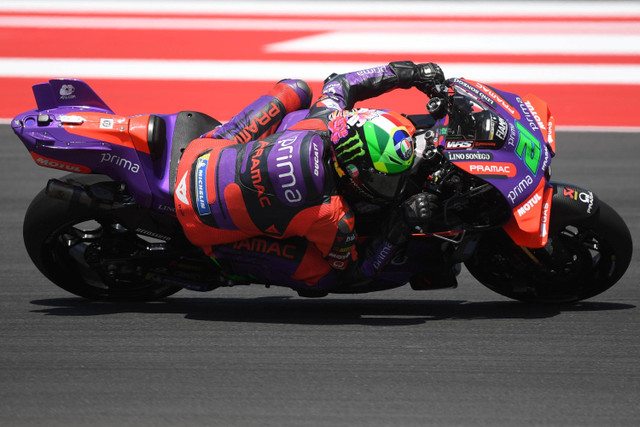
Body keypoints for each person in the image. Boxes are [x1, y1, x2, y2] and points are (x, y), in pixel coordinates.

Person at [173, 61, 445, 294]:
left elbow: (342, 82)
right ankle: (226, 262)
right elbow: (355, 272)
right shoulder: (330, 214)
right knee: (323, 276)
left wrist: (408, 73)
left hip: (204, 152)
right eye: (383, 181)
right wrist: (401, 221)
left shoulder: (324, 120)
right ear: (350, 173)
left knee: (296, 89)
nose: (393, 188)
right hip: (202, 224)